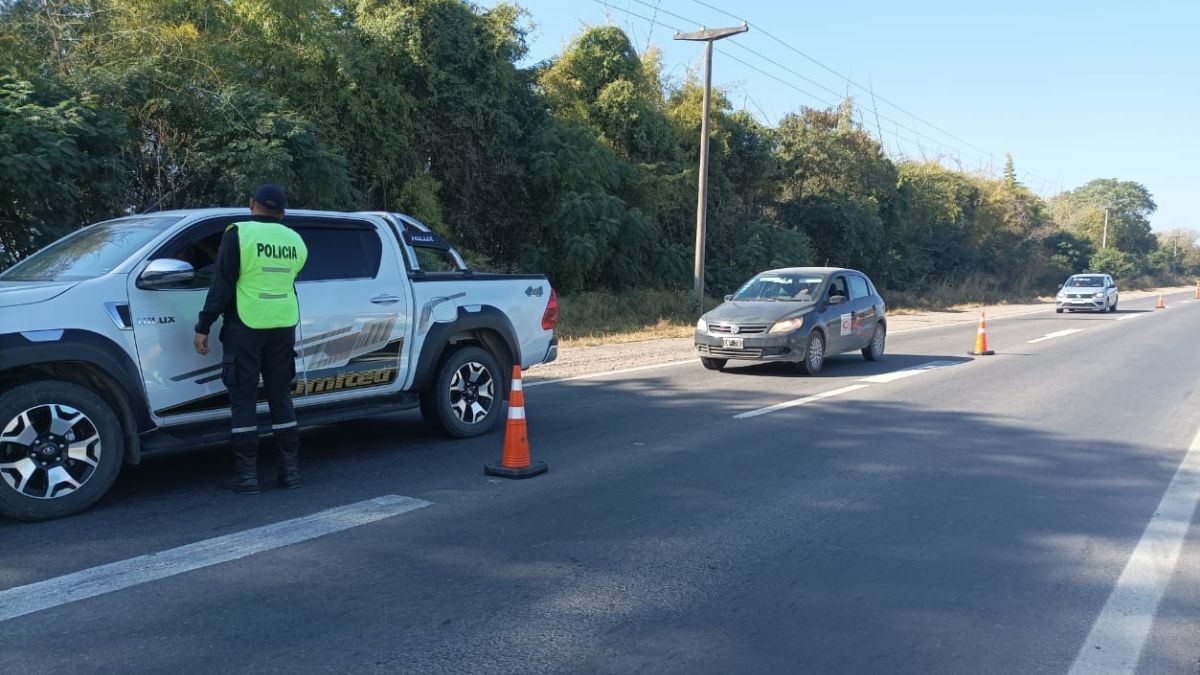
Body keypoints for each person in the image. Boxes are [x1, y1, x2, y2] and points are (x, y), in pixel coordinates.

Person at [193, 185, 309, 494]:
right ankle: (291, 472)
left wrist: (203, 324)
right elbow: (289, 276)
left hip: (245, 326)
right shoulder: (295, 240)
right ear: (282, 212)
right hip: (283, 324)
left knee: (243, 399)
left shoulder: (239, 234)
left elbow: (223, 284)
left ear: (252, 204)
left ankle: (247, 477)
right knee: (280, 396)